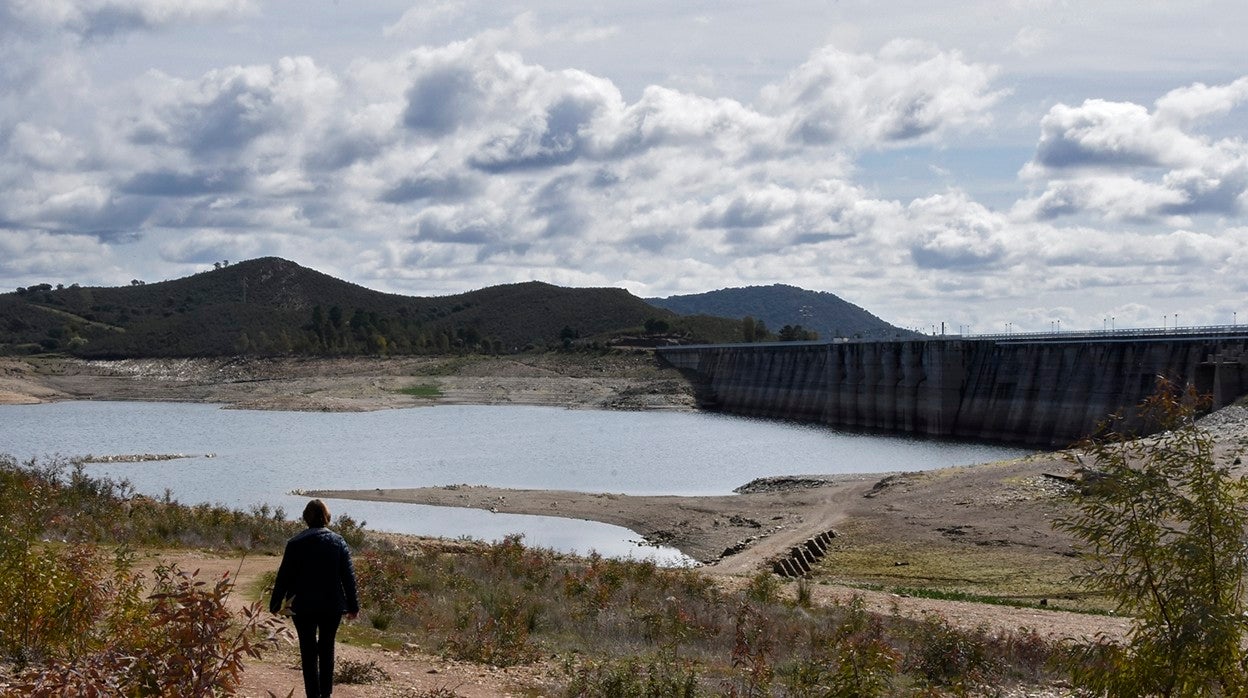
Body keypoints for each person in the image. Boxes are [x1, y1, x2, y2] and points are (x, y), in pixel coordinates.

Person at [270, 499, 360, 698]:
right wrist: (353, 606)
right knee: (327, 648)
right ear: (326, 517)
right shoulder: (338, 542)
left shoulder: (295, 543)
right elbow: (348, 576)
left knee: (308, 651)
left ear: (306, 518)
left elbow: (283, 576)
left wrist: (275, 604)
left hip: (302, 606)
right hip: (331, 605)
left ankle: (313, 694)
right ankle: (325, 695)